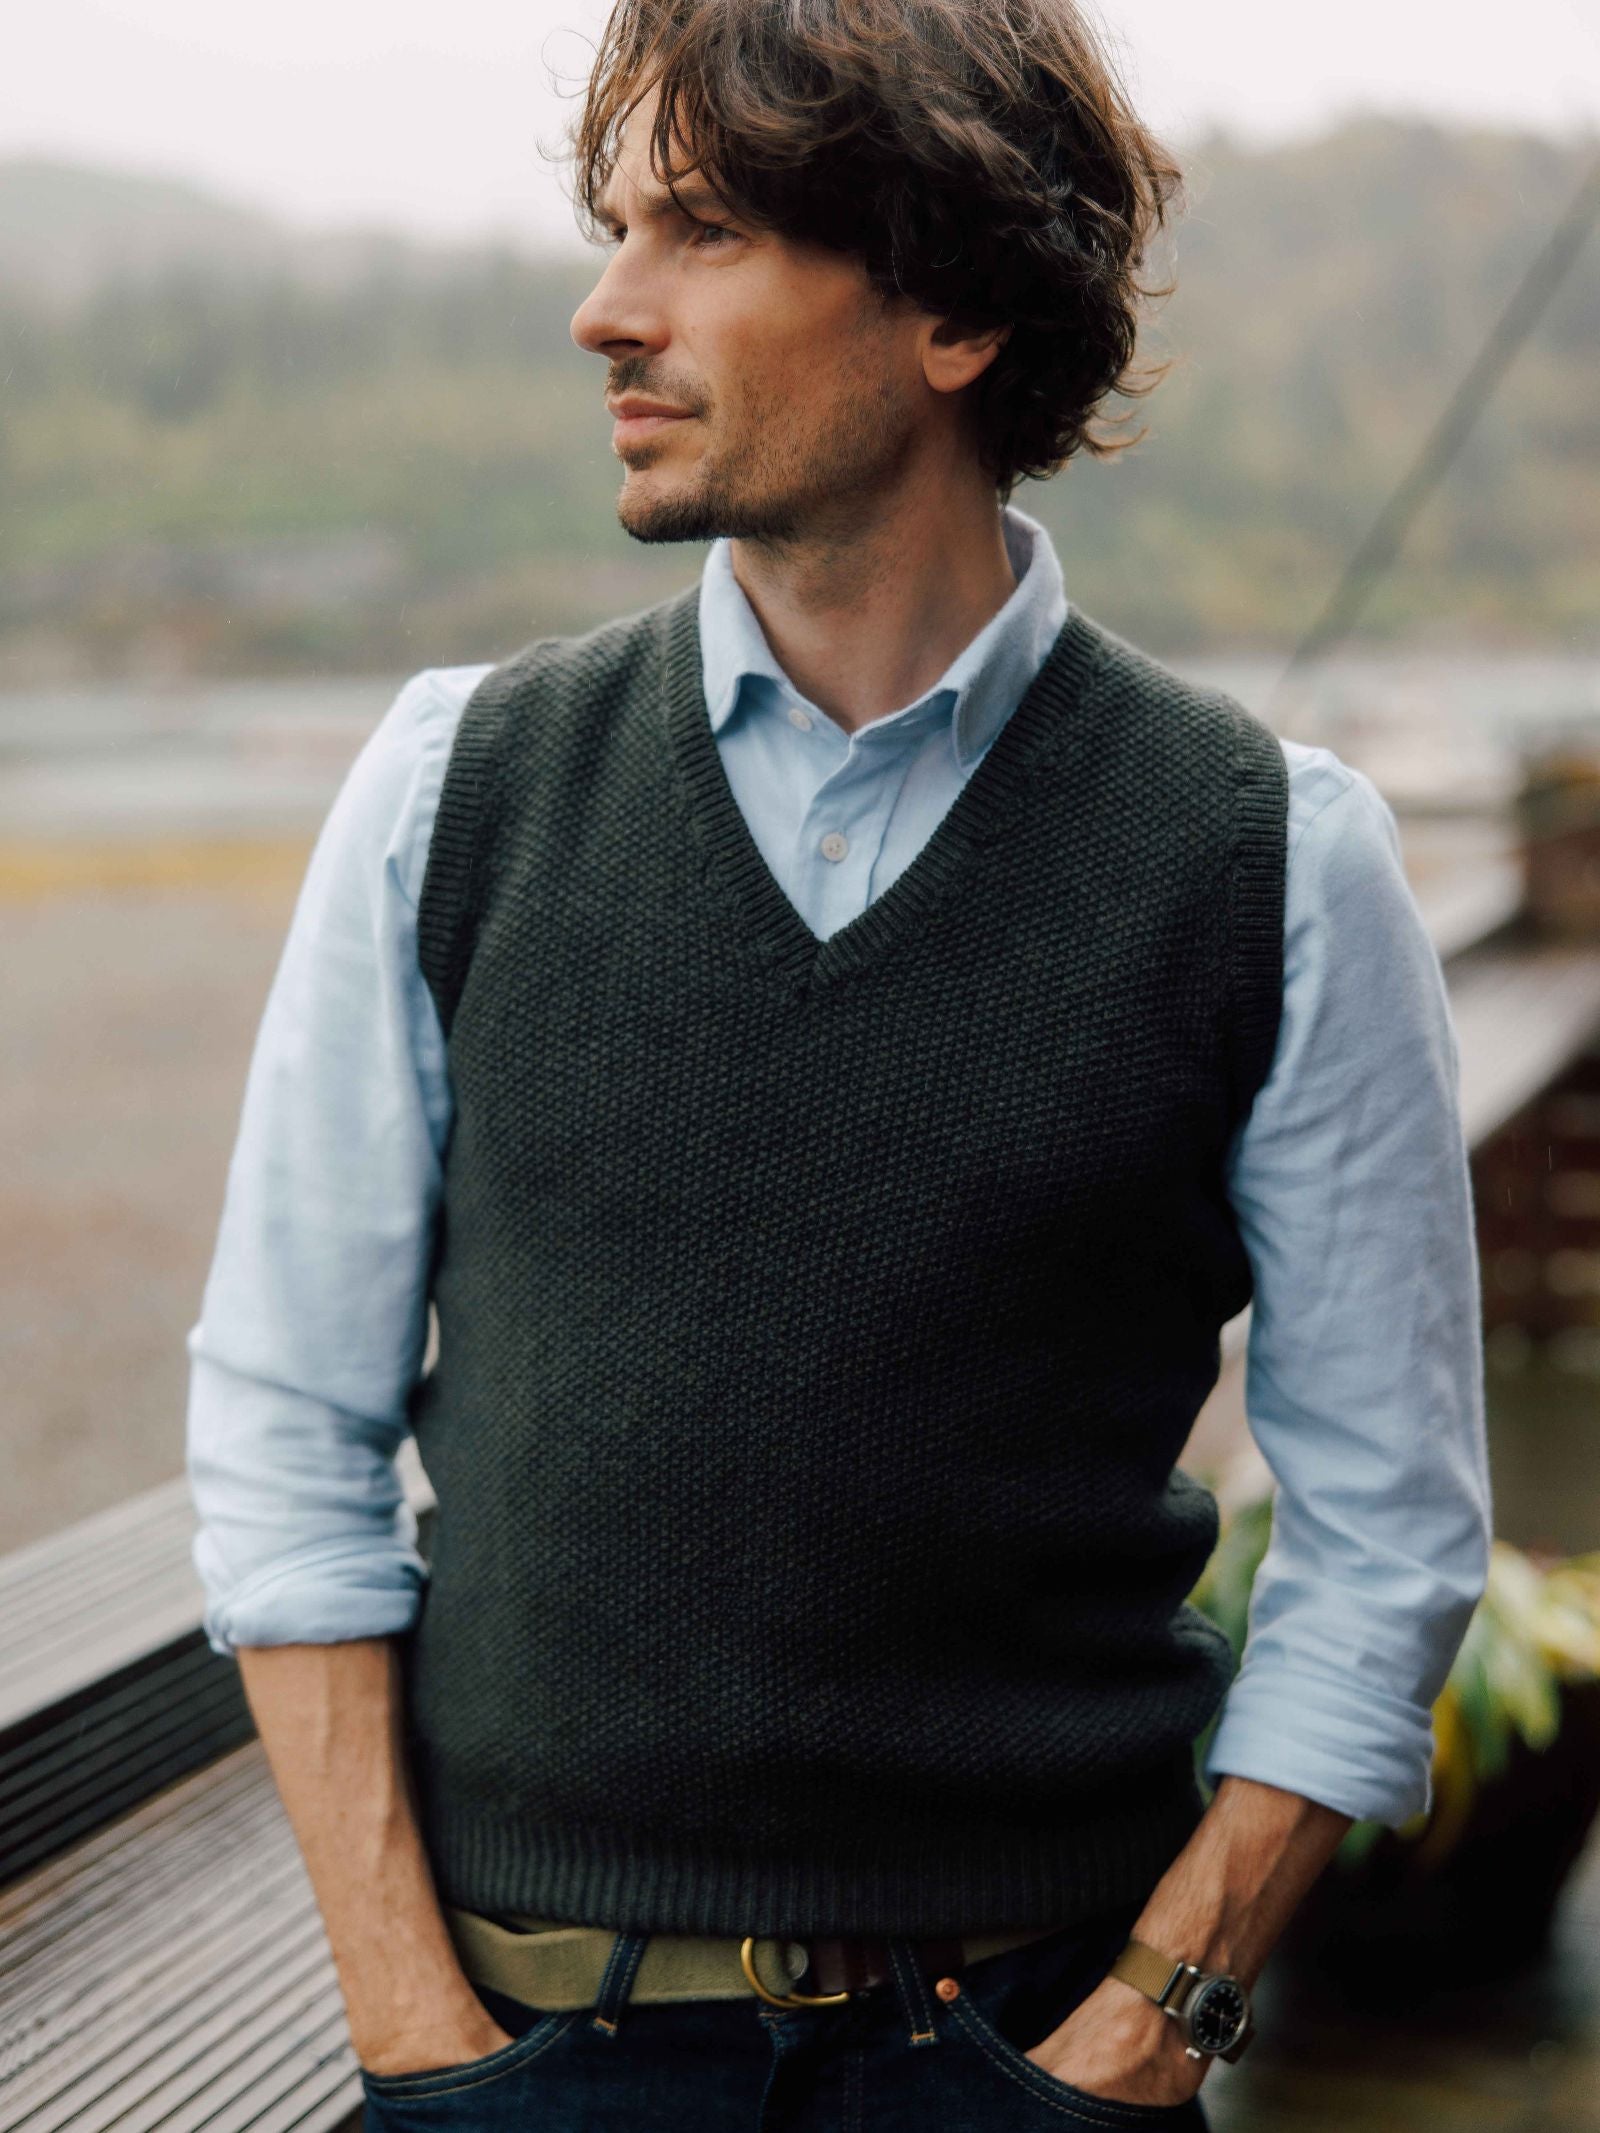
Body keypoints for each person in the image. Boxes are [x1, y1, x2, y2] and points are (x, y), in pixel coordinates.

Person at [183, 0, 1492, 2125]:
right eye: (615, 230)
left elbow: (1390, 1528)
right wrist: (413, 2025)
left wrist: (1139, 2032)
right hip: (530, 2052)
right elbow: (278, 1426)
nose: (606, 311)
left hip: (1032, 2043)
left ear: (953, 304)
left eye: (700, 233)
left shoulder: (1269, 859)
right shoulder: (454, 789)